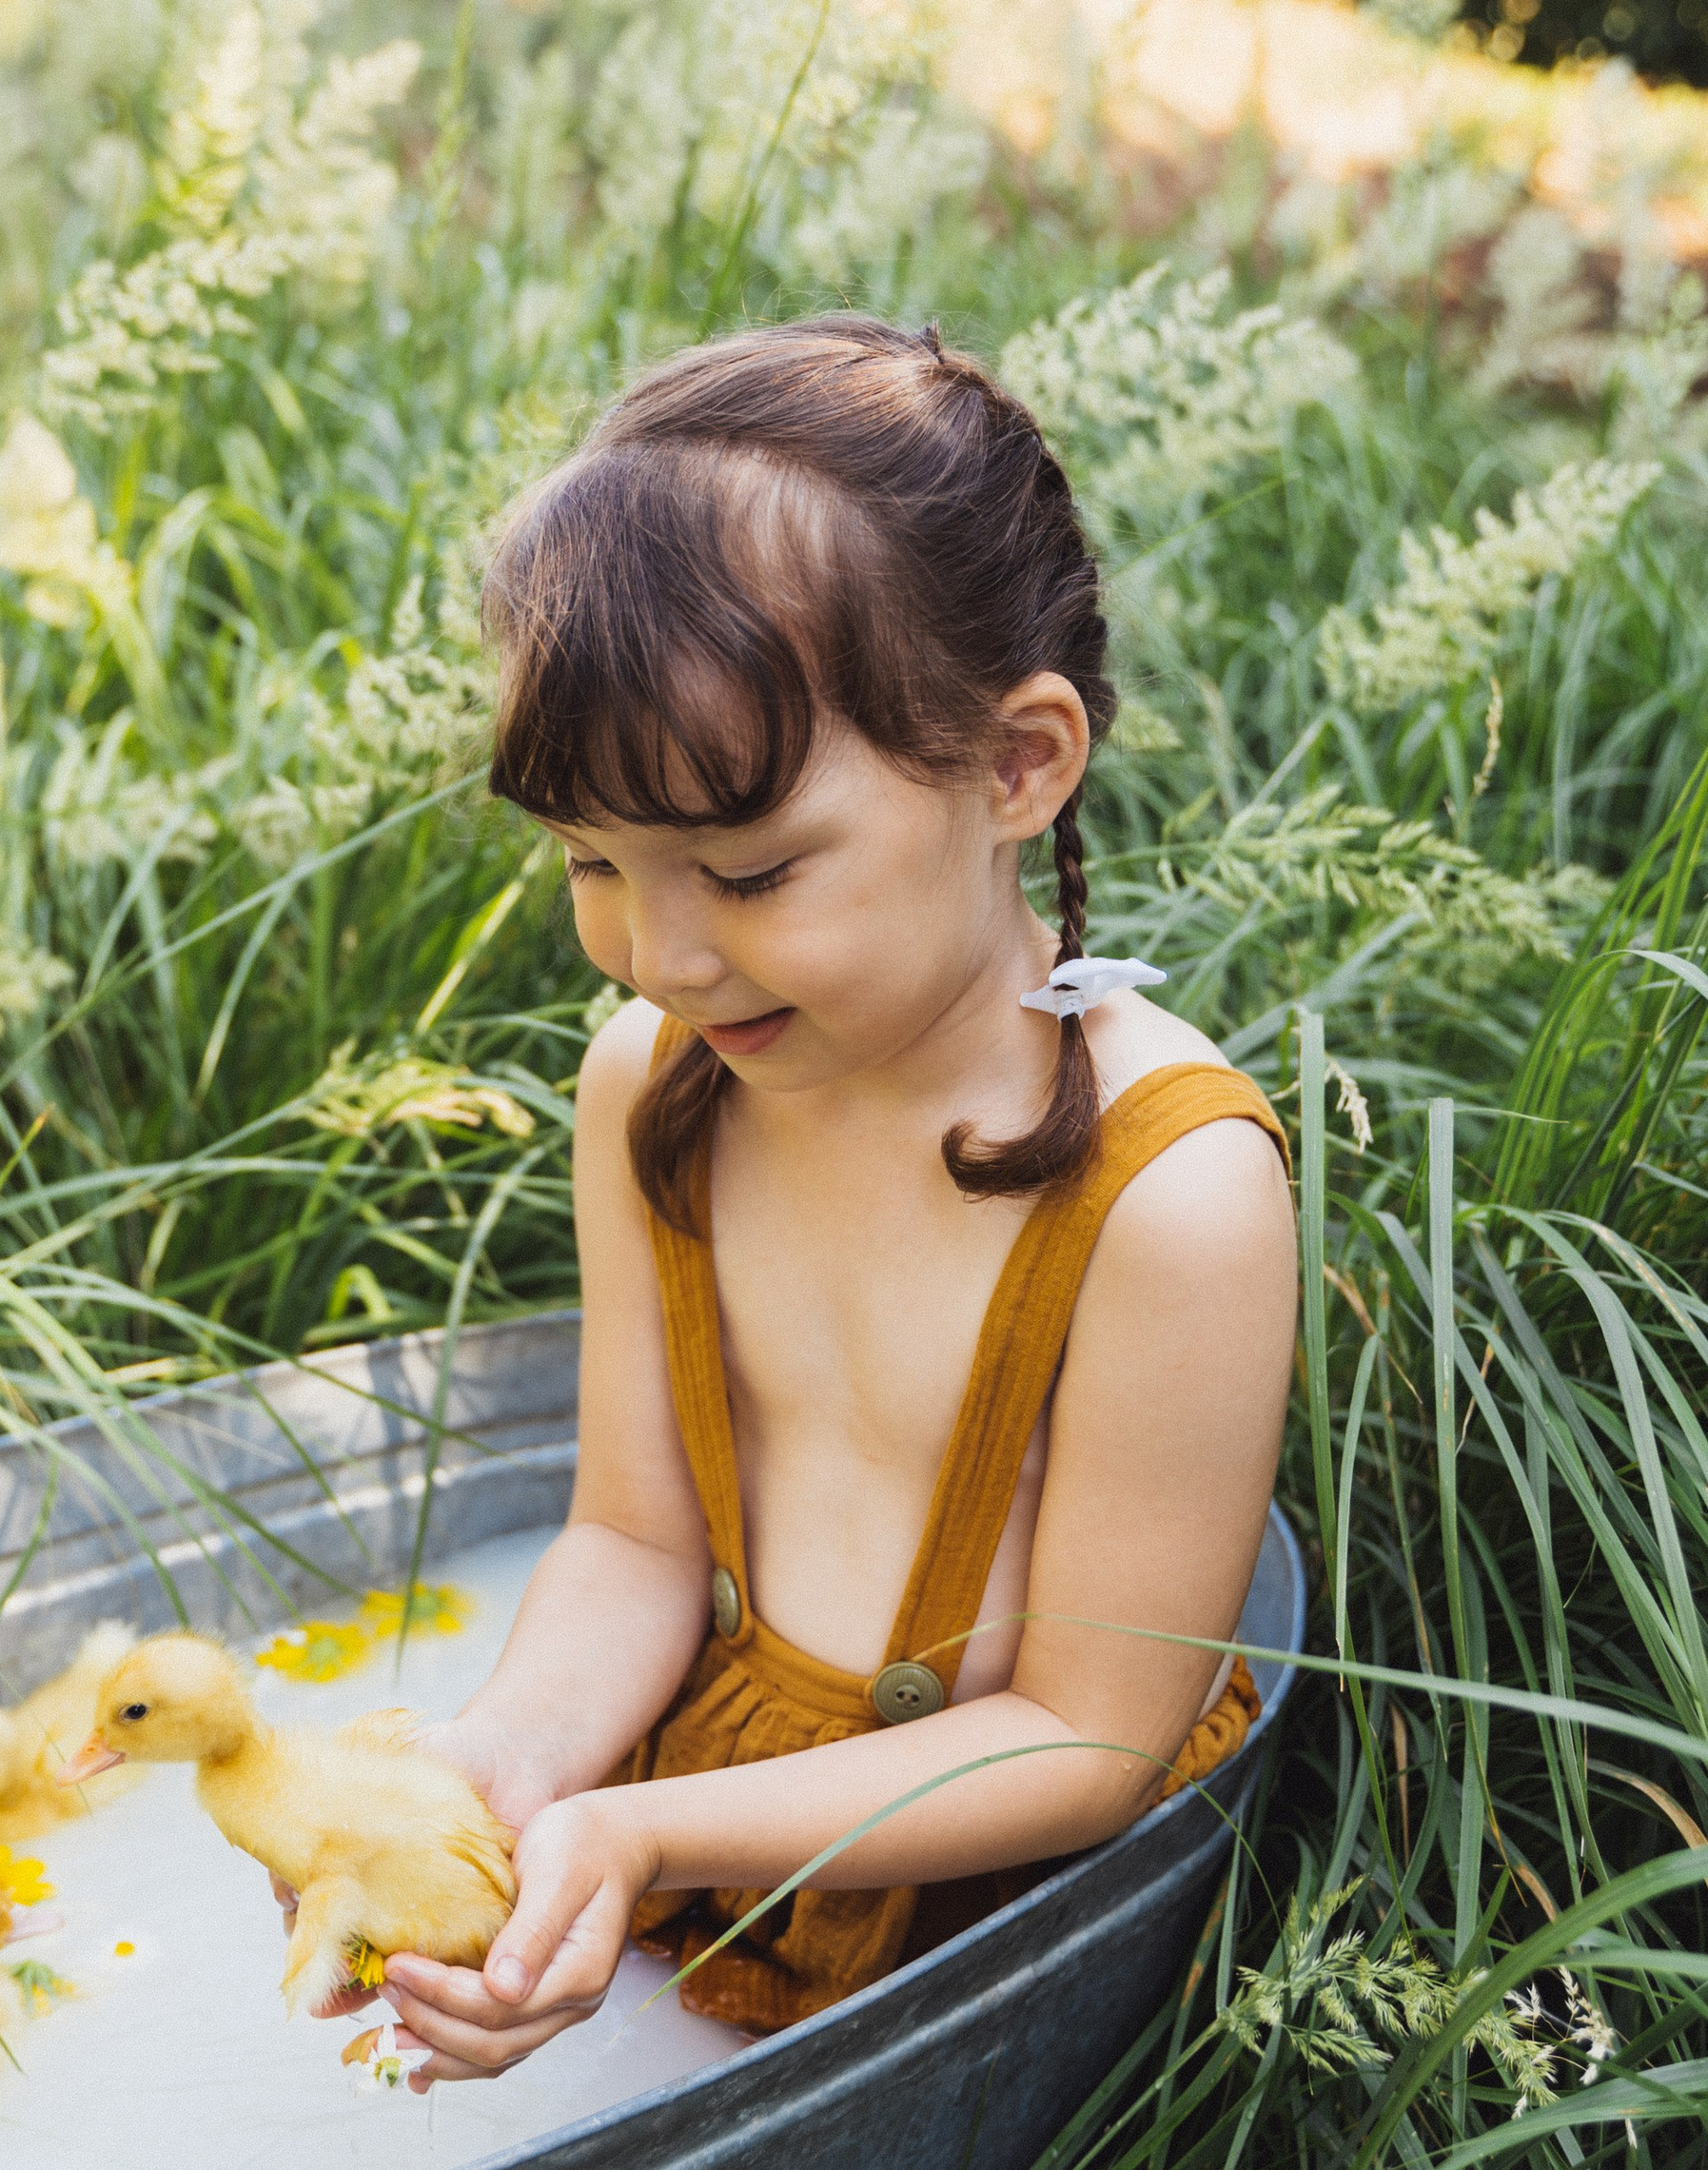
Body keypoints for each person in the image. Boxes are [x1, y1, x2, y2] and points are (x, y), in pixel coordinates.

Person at [372, 315, 1296, 2081]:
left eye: (749, 867)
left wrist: (659, 1840)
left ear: (1019, 764)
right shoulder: (656, 1084)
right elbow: (640, 1538)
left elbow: (1092, 1736)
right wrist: (518, 1756)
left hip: (985, 1876)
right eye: (592, 863)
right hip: (692, 1779)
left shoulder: (1168, 1197)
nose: (663, 950)